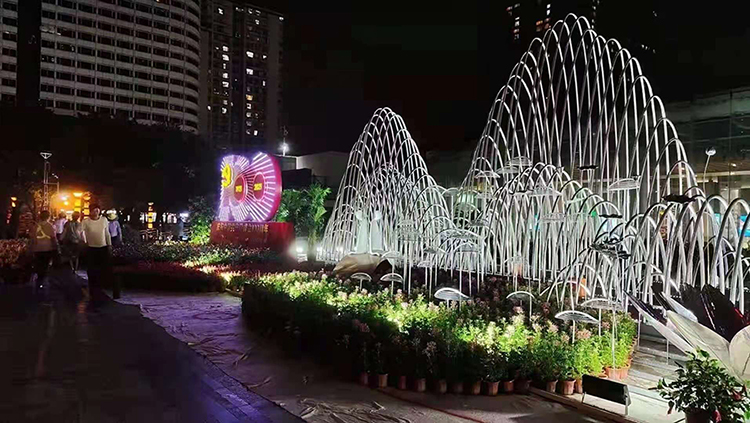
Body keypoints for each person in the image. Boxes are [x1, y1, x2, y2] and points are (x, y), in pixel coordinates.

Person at [81, 204, 114, 300]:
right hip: (91, 247)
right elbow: (81, 232)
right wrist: (84, 241)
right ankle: (93, 286)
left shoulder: (104, 220)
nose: (95, 212)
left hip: (102, 247)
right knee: (91, 268)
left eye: (97, 210)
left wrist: (109, 244)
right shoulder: (86, 221)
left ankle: (102, 285)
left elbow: (107, 233)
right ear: (90, 211)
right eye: (93, 210)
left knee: (102, 267)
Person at [29, 210, 58, 288]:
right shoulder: (50, 226)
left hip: (37, 249)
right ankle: (42, 281)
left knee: (39, 264)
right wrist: (56, 247)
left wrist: (30, 248)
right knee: (45, 265)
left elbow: (32, 239)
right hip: (47, 248)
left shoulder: (35, 227)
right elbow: (53, 238)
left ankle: (39, 279)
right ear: (48, 217)